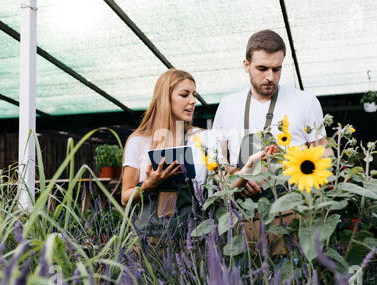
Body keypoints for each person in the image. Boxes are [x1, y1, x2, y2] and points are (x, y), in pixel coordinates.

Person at [212, 29, 333, 254]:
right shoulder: (227, 105)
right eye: (262, 69)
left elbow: (323, 154)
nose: (270, 77)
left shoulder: (305, 101)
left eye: (276, 69)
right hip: (244, 215)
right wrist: (238, 179)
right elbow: (218, 163)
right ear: (246, 65)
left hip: (294, 214)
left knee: (297, 284)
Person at [121, 69, 207, 244]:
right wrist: (147, 185)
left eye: (194, 95)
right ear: (164, 98)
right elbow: (125, 197)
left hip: (190, 241)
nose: (193, 101)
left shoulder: (199, 138)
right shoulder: (138, 141)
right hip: (148, 240)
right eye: (184, 95)